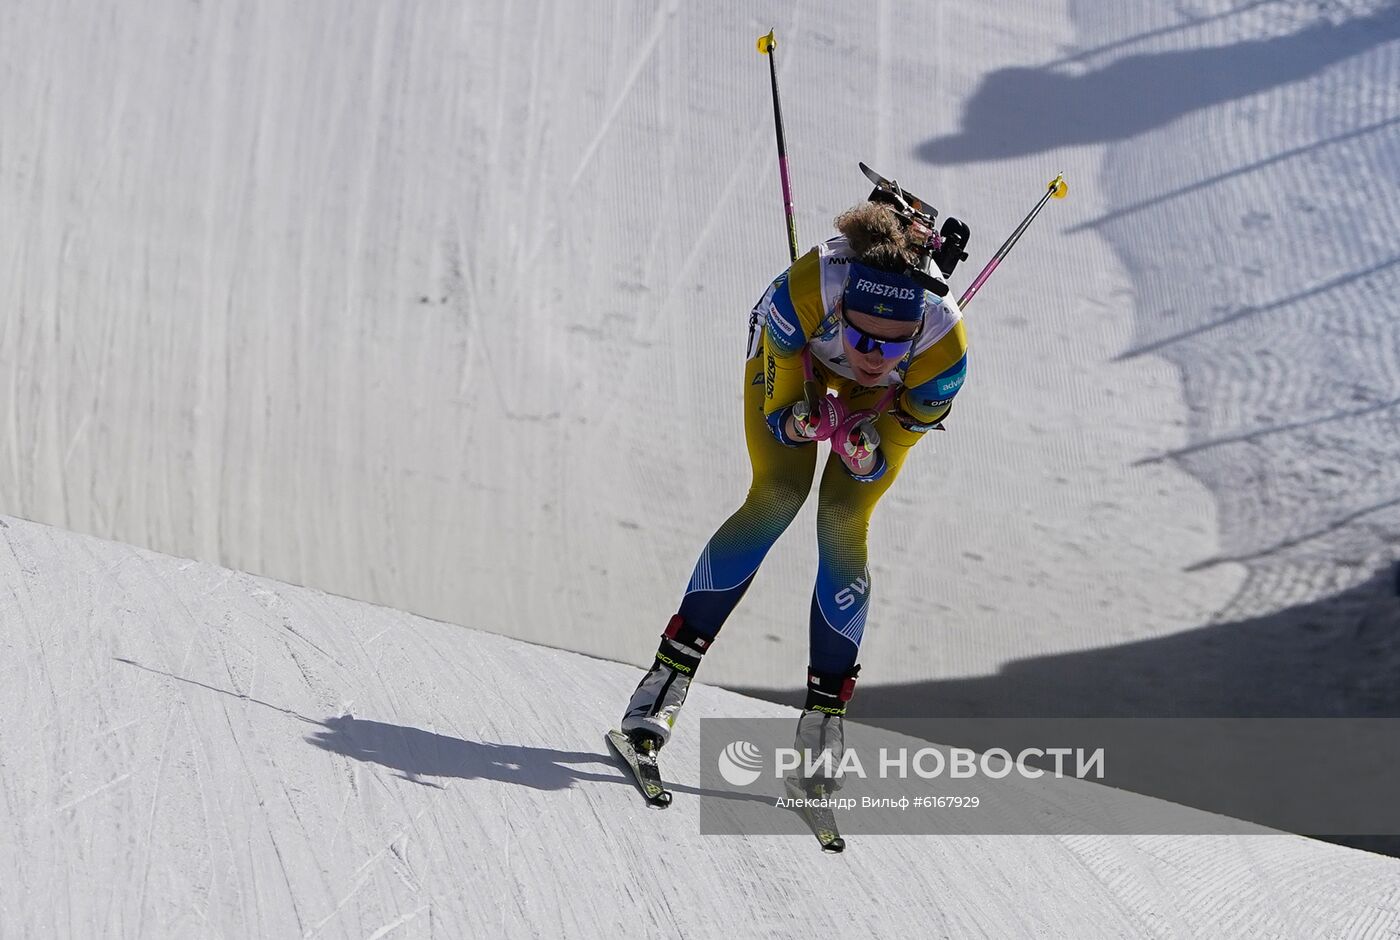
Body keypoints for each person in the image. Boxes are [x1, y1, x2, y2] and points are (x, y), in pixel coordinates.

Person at [619, 197, 969, 791]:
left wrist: (866, 454)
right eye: (862, 337)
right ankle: (662, 688)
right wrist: (799, 422)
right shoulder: (804, 295)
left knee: (843, 517)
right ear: (844, 309)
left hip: (879, 405)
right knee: (779, 493)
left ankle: (822, 736)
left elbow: (891, 449)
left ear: (917, 330)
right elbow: (778, 410)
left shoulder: (942, 354)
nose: (871, 357)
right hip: (795, 356)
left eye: (892, 347)